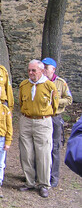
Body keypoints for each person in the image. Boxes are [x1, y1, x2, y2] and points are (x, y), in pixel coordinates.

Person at [18, 59, 58, 198]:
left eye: (34, 70)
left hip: (43, 121)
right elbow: (21, 102)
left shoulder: (49, 86)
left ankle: (44, 184)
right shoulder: (24, 85)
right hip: (26, 120)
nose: (30, 73)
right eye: (29, 70)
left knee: (43, 153)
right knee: (26, 152)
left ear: (41, 71)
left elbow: (55, 105)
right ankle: (29, 182)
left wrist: (43, 114)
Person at [41, 57, 73, 187]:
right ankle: (41, 174)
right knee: (41, 146)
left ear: (53, 69)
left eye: (46, 68)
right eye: (42, 67)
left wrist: (55, 101)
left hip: (55, 117)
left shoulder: (61, 83)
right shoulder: (39, 82)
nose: (44, 70)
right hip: (42, 117)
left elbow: (69, 99)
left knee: (55, 147)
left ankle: (53, 177)